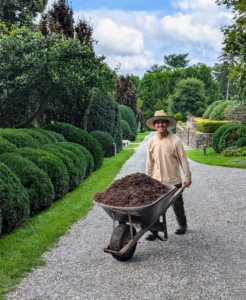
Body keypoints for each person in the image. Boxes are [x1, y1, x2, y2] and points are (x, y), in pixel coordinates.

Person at [145, 110, 192, 240]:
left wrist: (187, 177)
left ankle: (182, 225)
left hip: (173, 179)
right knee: (155, 207)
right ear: (155, 125)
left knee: (177, 205)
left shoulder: (175, 141)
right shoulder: (151, 141)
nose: (160, 124)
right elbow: (150, 162)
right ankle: (154, 231)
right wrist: (147, 178)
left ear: (167, 123)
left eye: (163, 122)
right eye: (158, 122)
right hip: (157, 180)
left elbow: (183, 161)